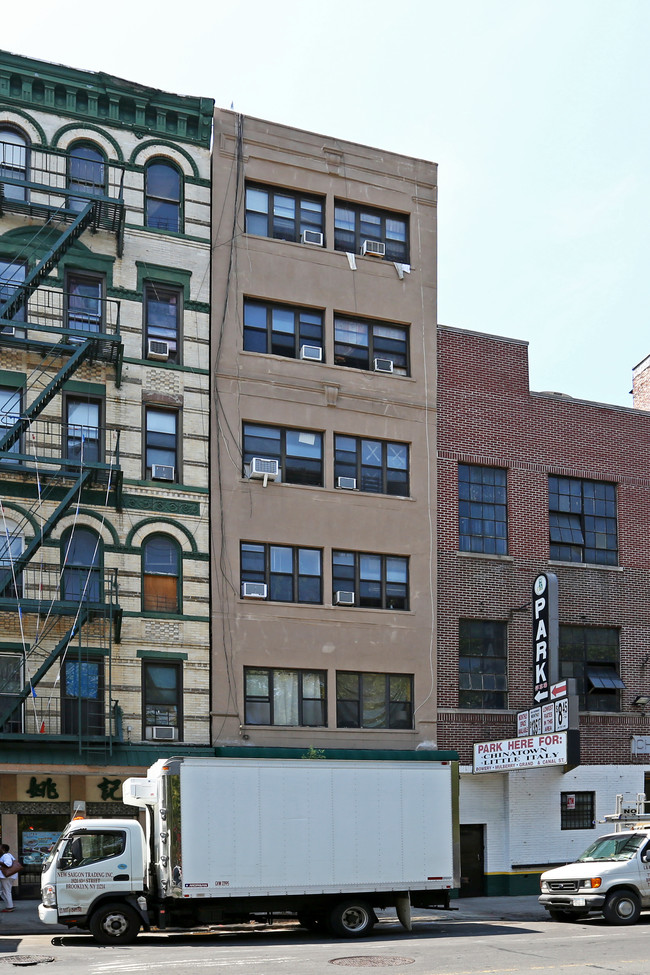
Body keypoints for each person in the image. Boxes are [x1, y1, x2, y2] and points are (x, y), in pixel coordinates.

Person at [0, 844, 16, 912]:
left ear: (3, 849)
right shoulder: (8, 855)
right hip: (8, 876)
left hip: (6, 876)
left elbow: (8, 864)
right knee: (4, 891)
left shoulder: (6, 856)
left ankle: (9, 907)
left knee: (6, 891)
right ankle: (9, 905)